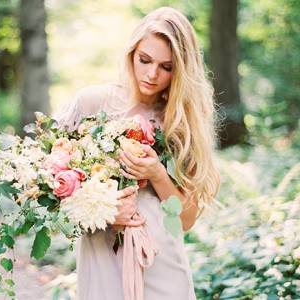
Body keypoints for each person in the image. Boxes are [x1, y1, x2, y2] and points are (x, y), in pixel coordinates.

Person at [54, 6, 220, 300]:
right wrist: (101, 210)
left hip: (161, 260)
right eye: (145, 60)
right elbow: (50, 194)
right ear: (131, 53)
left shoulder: (181, 122)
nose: (152, 74)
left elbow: (186, 219)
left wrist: (157, 173)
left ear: (181, 70)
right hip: (102, 251)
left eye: (167, 67)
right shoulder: (92, 103)